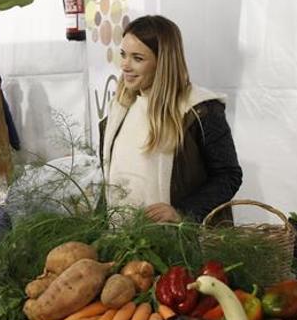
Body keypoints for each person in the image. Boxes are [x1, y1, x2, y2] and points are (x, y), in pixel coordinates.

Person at [101, 15, 242, 224]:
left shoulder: (201, 110)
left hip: (181, 245)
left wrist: (182, 211)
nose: (125, 66)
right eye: (123, 55)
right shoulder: (119, 109)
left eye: (137, 58)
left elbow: (228, 176)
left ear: (163, 63)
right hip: (124, 240)